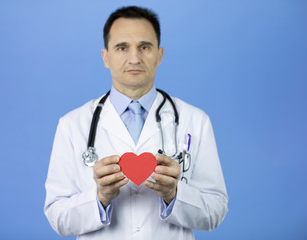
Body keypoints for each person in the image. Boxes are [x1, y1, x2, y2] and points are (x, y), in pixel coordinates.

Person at [44, 6, 228, 240]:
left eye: (144, 47)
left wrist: (174, 194)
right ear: (106, 57)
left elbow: (216, 211)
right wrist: (99, 197)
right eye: (122, 48)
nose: (134, 58)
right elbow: (57, 218)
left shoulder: (195, 120)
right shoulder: (72, 125)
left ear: (159, 55)